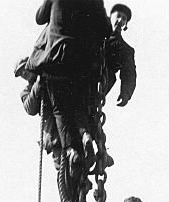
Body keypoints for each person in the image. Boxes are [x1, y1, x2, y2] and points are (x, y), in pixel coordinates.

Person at [24, 1, 110, 177]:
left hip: (55, 60)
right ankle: (85, 135)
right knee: (79, 105)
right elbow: (105, 28)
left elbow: (39, 18)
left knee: (59, 111)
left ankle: (71, 150)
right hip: (80, 63)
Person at [105, 4, 137, 107]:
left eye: (124, 19)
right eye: (118, 16)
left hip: (100, 86)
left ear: (125, 24)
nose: (120, 20)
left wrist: (125, 93)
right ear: (110, 16)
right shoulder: (95, 32)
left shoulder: (126, 50)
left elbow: (129, 73)